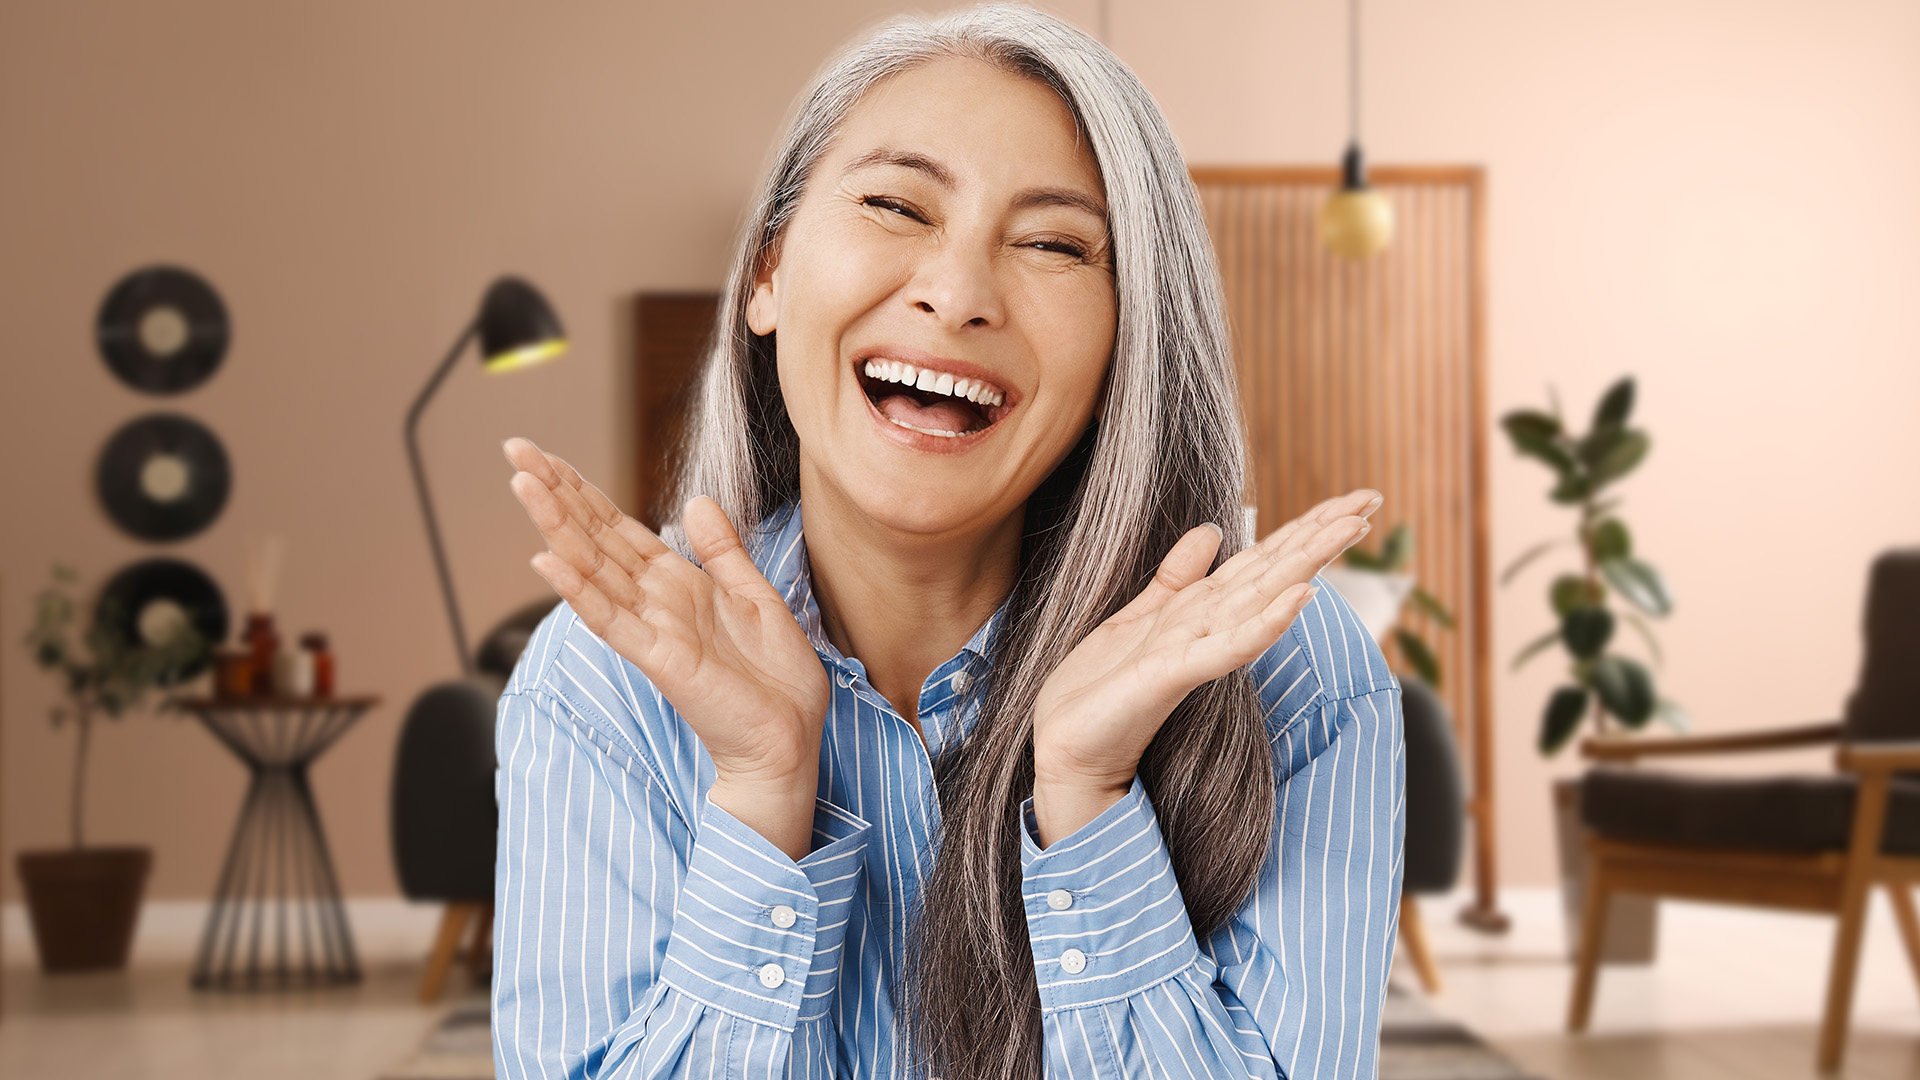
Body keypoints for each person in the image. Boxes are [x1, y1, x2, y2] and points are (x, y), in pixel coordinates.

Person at [492, 4, 1403, 1077]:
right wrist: (760, 795)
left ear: (1130, 337)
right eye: (893, 204)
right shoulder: (603, 685)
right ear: (769, 273)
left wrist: (1090, 801)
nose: (958, 294)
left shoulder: (1287, 672)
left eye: (1057, 243)